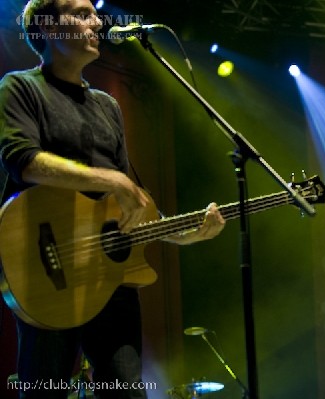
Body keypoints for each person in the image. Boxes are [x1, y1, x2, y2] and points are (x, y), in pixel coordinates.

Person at [0, 0, 226, 398]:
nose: (97, 22)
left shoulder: (107, 106)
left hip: (110, 285)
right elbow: (22, 160)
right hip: (46, 271)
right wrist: (112, 179)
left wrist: (183, 233)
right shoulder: (19, 88)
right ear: (50, 28)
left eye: (95, 13)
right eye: (82, 13)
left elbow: (131, 204)